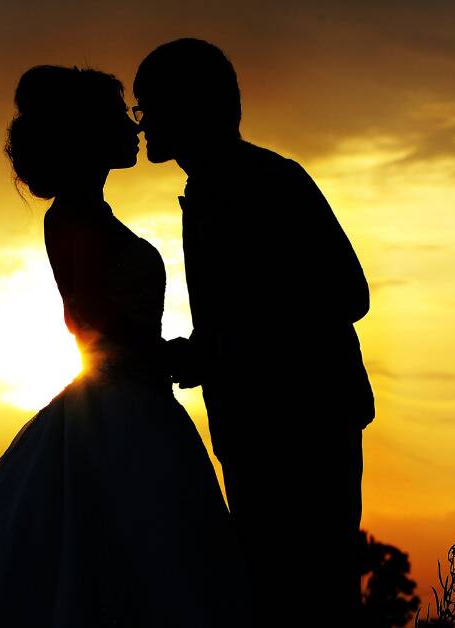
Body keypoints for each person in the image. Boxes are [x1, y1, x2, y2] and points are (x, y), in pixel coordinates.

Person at [0, 65, 252, 627]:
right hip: (120, 409)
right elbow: (89, 319)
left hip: (138, 402)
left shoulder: (90, 217)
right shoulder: (72, 220)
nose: (134, 128)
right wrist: (173, 354)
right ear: (88, 136)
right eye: (118, 118)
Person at [133, 38, 375, 625]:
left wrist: (214, 352)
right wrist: (201, 352)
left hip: (304, 433)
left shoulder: (272, 182)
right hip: (253, 437)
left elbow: (348, 294)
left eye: (151, 107)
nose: (142, 125)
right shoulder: (208, 191)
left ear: (190, 108)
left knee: (310, 598)